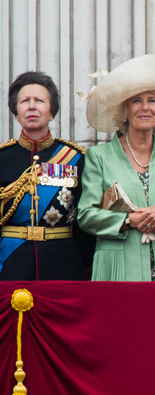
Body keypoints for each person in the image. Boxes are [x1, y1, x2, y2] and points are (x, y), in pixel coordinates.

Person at [78, 54, 155, 281]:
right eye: (136, 101)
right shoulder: (99, 156)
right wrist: (128, 221)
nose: (145, 108)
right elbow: (86, 215)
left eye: (152, 100)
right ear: (124, 110)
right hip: (118, 268)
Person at [0, 72, 94, 280]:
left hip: (63, 263)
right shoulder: (3, 158)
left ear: (52, 112)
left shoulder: (76, 159)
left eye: (39, 101)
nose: (32, 106)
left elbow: (83, 221)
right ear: (16, 113)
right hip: (11, 263)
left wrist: (87, 265)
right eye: (25, 101)